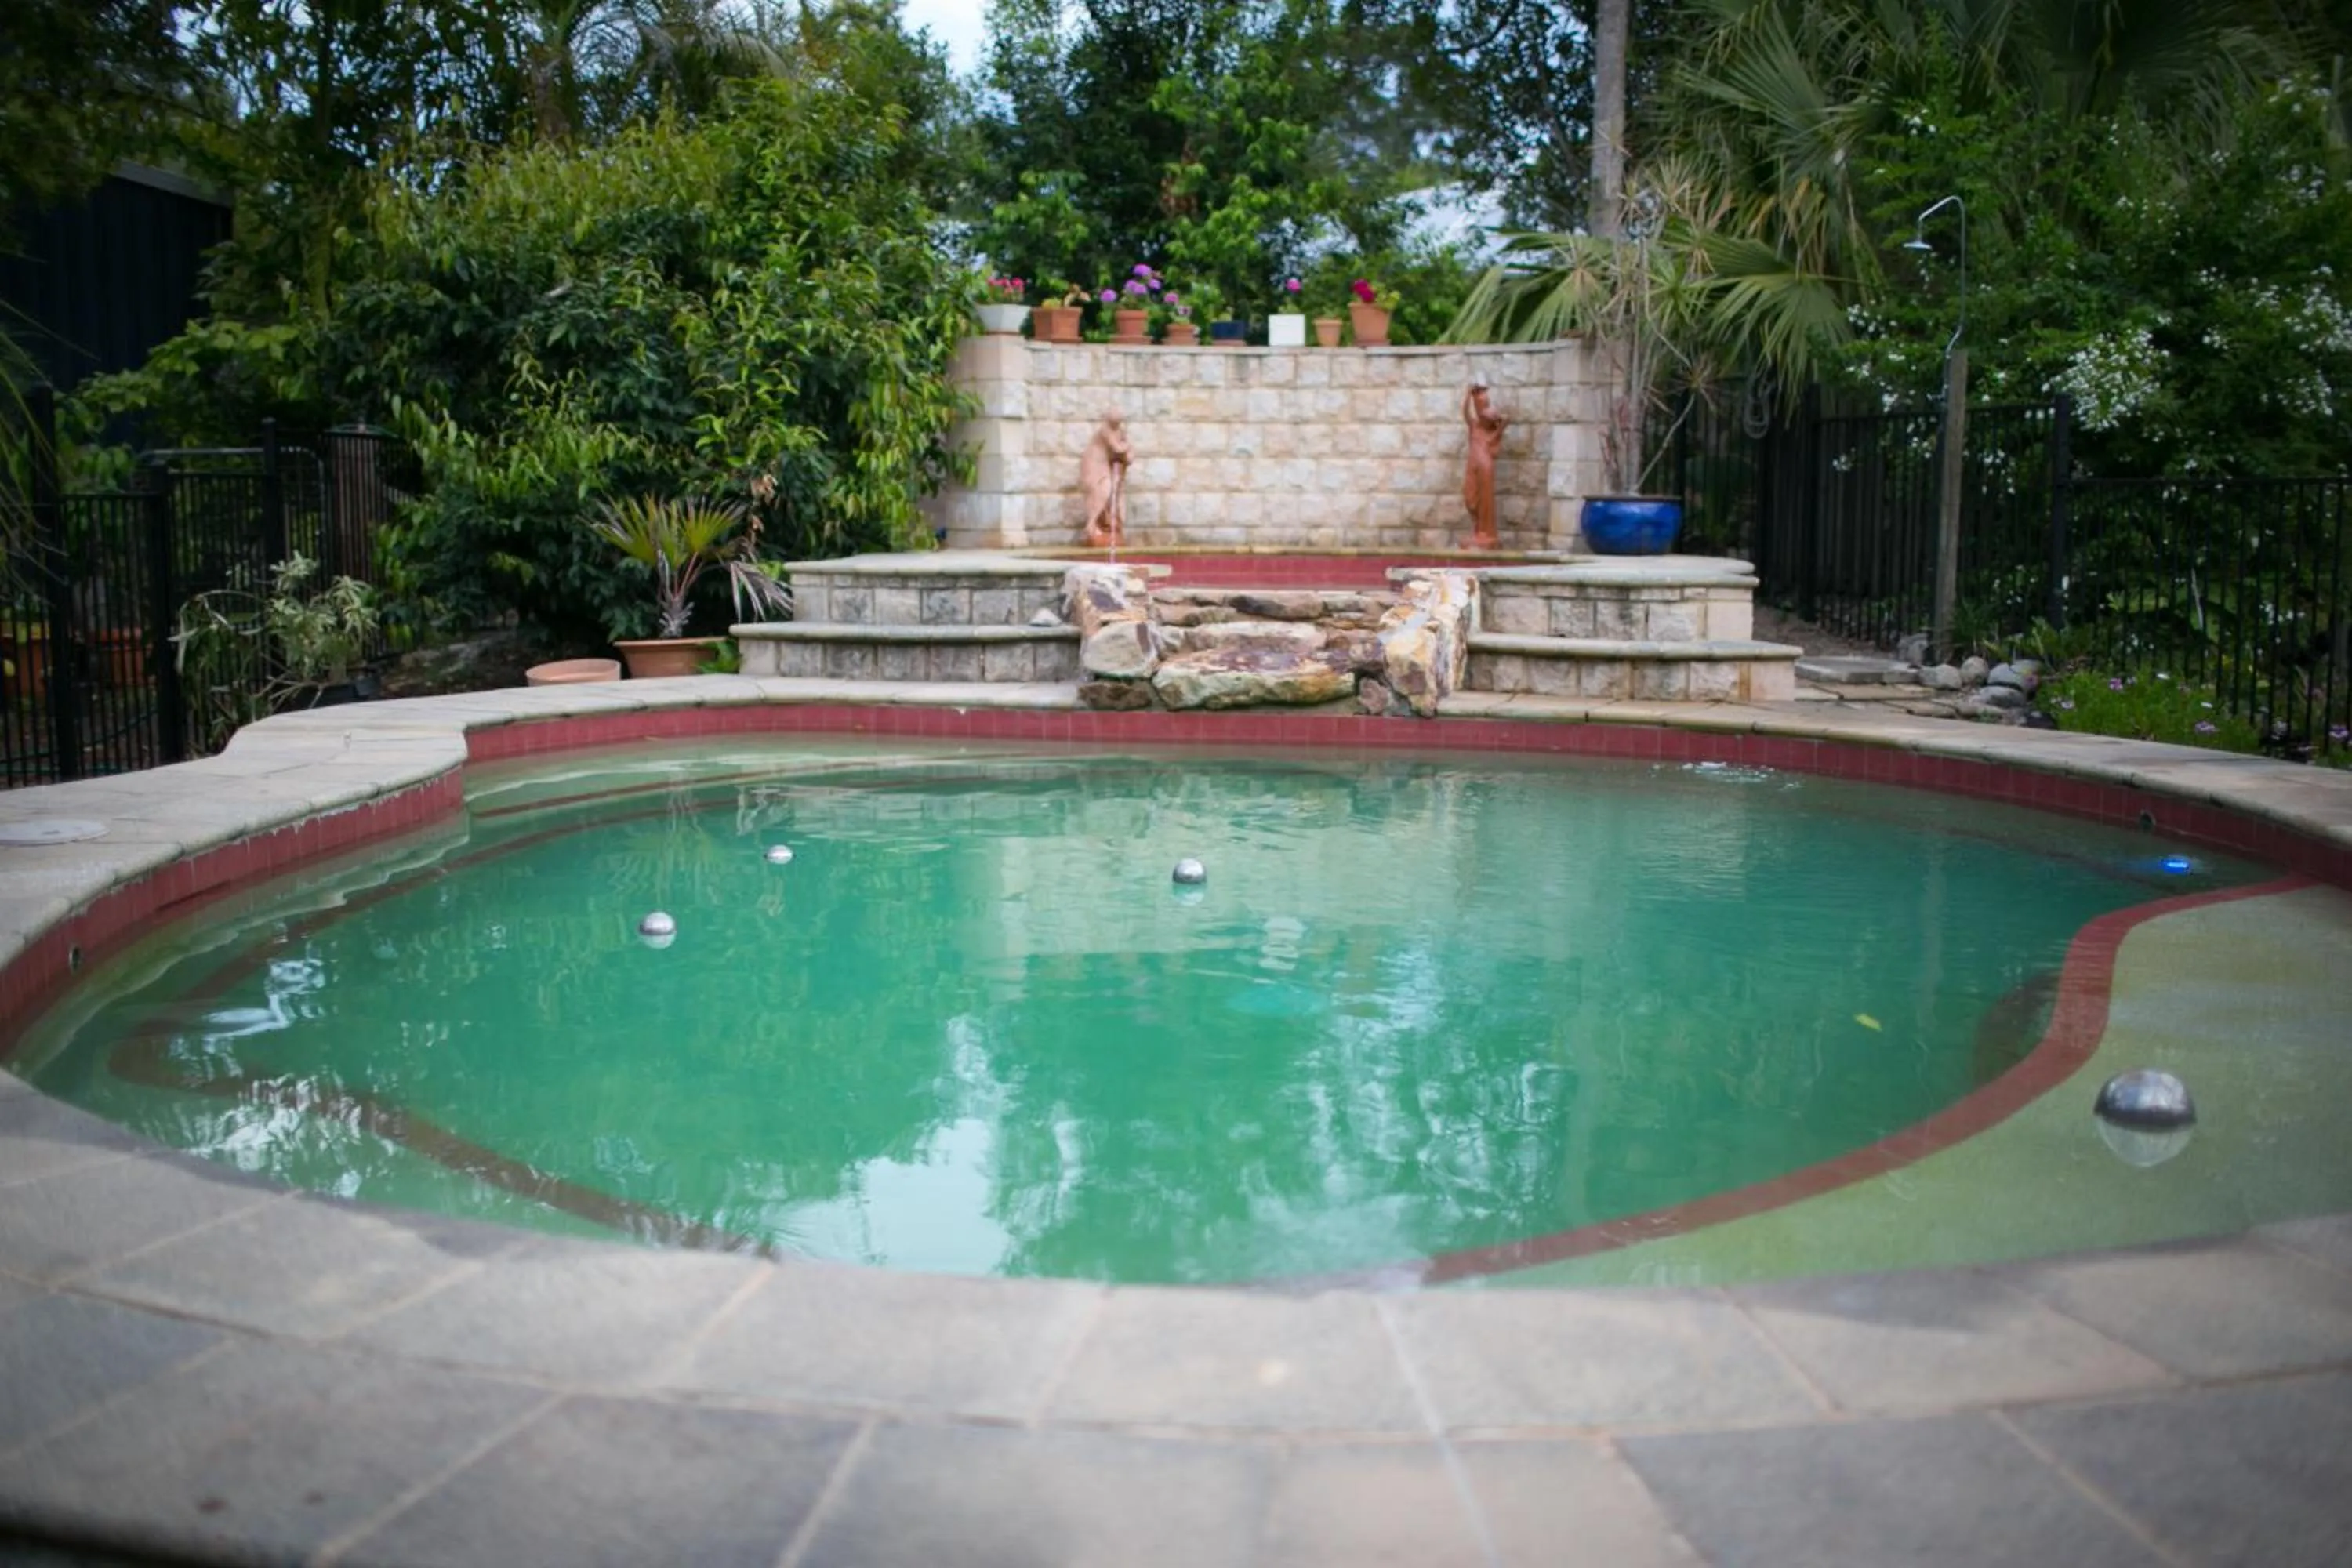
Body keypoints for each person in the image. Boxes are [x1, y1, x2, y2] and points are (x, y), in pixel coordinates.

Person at [1461, 383, 1508, 549]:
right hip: (1472, 467)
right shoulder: (1474, 426)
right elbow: (1466, 413)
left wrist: (1500, 423)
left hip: (1485, 469)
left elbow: (1505, 420)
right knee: (1470, 499)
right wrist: (1469, 395)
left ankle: (1485, 532)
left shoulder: (1492, 433)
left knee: (1485, 502)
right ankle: (1477, 530)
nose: (1483, 418)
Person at [1080, 412, 1131, 547]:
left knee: (1110, 491)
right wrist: (1128, 446)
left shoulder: (1119, 431)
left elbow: (1125, 455)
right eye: (1115, 422)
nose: (1117, 425)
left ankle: (1102, 524)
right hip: (1094, 463)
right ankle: (1091, 526)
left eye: (1119, 422)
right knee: (1103, 490)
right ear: (1109, 420)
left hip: (1104, 464)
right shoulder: (1105, 430)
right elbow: (1118, 448)